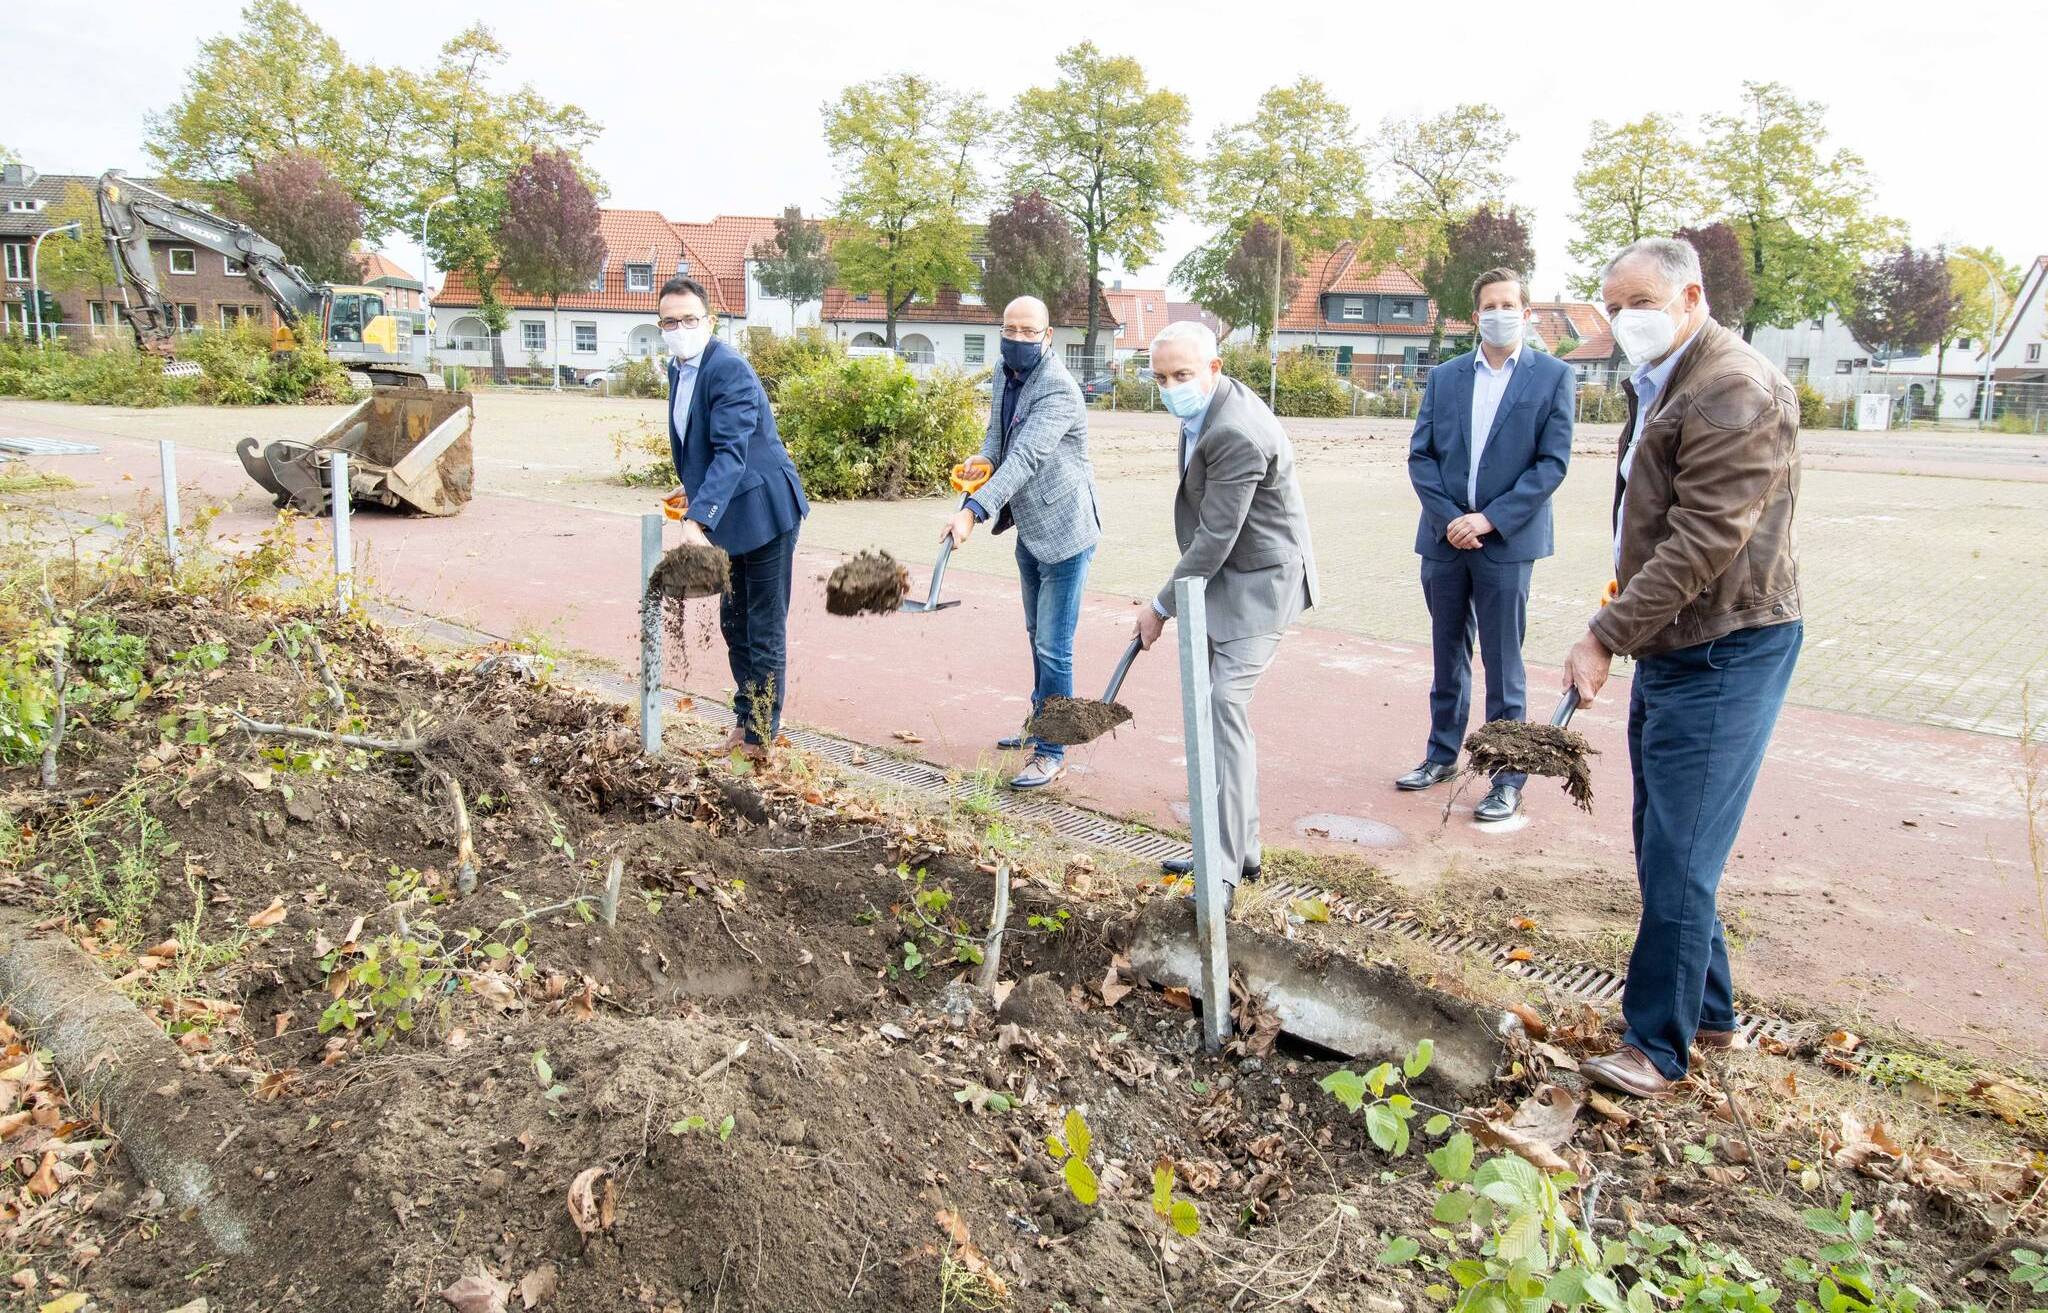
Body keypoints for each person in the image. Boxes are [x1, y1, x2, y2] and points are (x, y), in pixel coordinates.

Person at [1568, 238, 1803, 1099]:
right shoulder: (1670, 375)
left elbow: (1705, 539)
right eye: (1611, 304)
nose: (1621, 319)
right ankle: (1711, 1013)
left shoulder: (1734, 388)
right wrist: (1627, 612)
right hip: (1676, 640)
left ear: (1689, 296)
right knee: (1670, 839)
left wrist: (1605, 631)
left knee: (1679, 849)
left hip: (1725, 646)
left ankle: (1655, 1046)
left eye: (1636, 302)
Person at [1137, 321, 1318, 905]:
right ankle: (1237, 846)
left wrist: (1161, 606)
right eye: (1161, 377)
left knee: (1224, 706)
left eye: (1182, 375)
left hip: (1261, 584)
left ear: (1213, 369)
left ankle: (1224, 865)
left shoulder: (1236, 430)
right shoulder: (1202, 413)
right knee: (1217, 707)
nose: (1171, 387)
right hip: (1225, 580)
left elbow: (1215, 536)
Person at [1397, 267, 1575, 822]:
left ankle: (1506, 777)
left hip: (1506, 543)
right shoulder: (1447, 377)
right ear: (1475, 316)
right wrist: (1452, 518)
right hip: (1444, 541)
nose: (1498, 314)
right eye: (1488, 305)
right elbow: (1421, 455)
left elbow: (1552, 464)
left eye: (1509, 305)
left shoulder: (1552, 377)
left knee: (1504, 664)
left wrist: (1489, 520)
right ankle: (1441, 755)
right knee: (1447, 655)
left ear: (1526, 314)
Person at [943, 296, 1101, 790]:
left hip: (1065, 530)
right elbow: (998, 441)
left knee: (1055, 647)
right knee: (1036, 633)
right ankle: (1040, 724)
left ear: (1048, 336)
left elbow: (1027, 457)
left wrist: (972, 512)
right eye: (1010, 328)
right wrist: (977, 468)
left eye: (1029, 331)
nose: (1018, 338)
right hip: (1029, 528)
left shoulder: (1058, 389)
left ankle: (1053, 751)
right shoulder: (1004, 372)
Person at [660, 276, 810, 759]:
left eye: (689, 319)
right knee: (734, 620)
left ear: (709, 320)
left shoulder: (730, 369)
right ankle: (746, 722)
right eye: (670, 321)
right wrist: (692, 485)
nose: (679, 328)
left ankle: (762, 737)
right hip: (731, 510)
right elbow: (702, 440)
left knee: (762, 626)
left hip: (765, 511)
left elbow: (734, 450)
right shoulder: (680, 368)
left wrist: (697, 519)